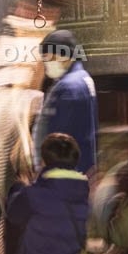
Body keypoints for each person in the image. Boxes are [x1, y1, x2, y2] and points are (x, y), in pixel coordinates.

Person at [32, 29, 98, 175]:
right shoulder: (82, 78)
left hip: (62, 171)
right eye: (44, 58)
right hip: (79, 169)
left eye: (50, 57)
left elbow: (59, 138)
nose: (46, 63)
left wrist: (44, 166)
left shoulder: (69, 86)